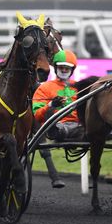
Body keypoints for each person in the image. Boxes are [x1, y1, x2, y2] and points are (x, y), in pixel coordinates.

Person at [32, 49, 84, 188]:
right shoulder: (44, 88)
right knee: (60, 127)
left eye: (67, 68)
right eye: (61, 67)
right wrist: (51, 105)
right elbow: (37, 114)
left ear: (72, 69)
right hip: (56, 127)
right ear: (55, 68)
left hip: (79, 127)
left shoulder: (79, 88)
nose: (64, 70)